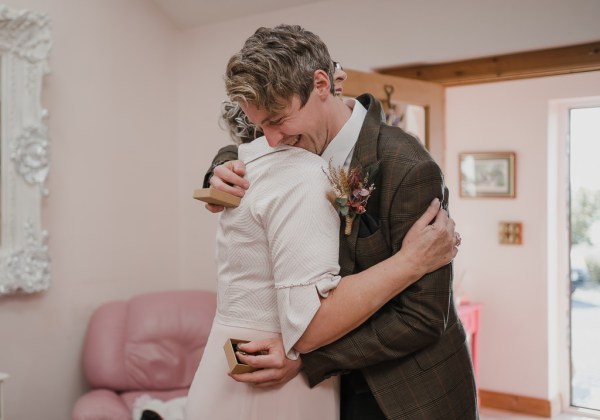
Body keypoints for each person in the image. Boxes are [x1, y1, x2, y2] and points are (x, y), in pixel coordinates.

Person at [201, 24, 477, 420]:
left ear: (321, 84)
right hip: (324, 394)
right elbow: (245, 145)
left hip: (404, 393)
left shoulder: (406, 165)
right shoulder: (282, 135)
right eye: (262, 126)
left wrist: (307, 358)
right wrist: (218, 169)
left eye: (278, 120)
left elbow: (422, 317)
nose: (272, 139)